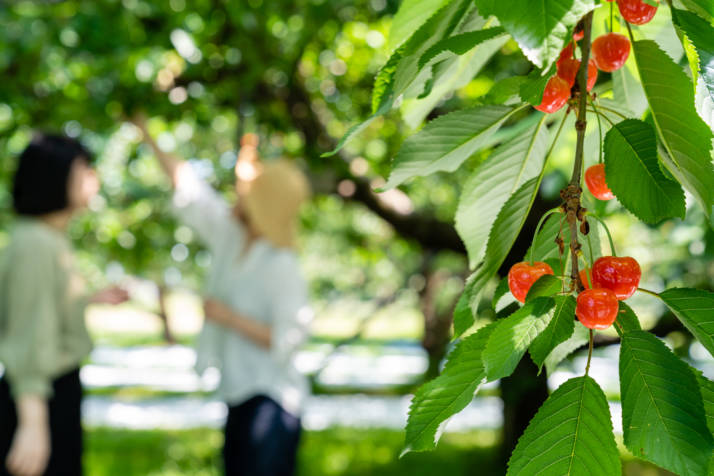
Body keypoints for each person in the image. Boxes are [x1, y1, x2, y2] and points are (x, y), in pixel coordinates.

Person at [134, 118, 312, 476]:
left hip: (272, 401)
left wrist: (229, 317)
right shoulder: (233, 237)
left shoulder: (282, 265)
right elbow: (189, 188)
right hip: (238, 393)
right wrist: (146, 133)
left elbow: (288, 338)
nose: (239, 194)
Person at [0, 134, 129, 476]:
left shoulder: (49, 239)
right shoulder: (36, 243)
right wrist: (33, 424)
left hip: (53, 391)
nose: (93, 179)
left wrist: (88, 300)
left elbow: (39, 307)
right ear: (56, 177)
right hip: (40, 395)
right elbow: (28, 335)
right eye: (84, 170)